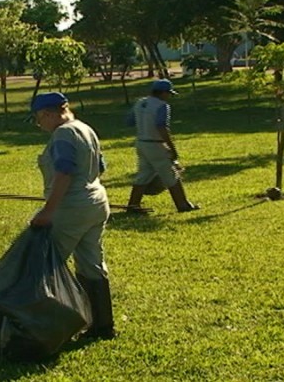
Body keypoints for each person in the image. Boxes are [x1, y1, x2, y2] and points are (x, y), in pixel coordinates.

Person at [30, 91, 115, 340]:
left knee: (46, 266)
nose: (39, 125)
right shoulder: (85, 128)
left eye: (38, 119)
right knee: (92, 264)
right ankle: (102, 326)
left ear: (47, 114)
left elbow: (64, 173)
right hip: (97, 202)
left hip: (71, 209)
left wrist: (48, 211)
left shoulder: (63, 135)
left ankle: (43, 328)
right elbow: (101, 167)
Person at [126, 79, 199, 213]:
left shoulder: (140, 103)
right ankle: (182, 205)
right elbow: (161, 127)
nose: (169, 97)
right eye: (168, 94)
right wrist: (171, 147)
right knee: (171, 174)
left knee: (144, 174)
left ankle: (133, 205)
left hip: (141, 143)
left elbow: (129, 121)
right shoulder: (162, 106)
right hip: (156, 144)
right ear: (163, 93)